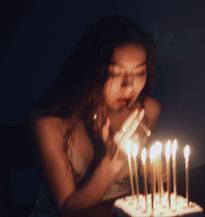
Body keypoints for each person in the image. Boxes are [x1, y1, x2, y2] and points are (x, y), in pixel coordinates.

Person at [29, 15, 160, 217]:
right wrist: (113, 161)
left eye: (139, 72)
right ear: (90, 71)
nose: (129, 86)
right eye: (115, 73)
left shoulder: (147, 110)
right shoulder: (48, 123)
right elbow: (68, 209)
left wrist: (157, 173)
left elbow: (148, 177)